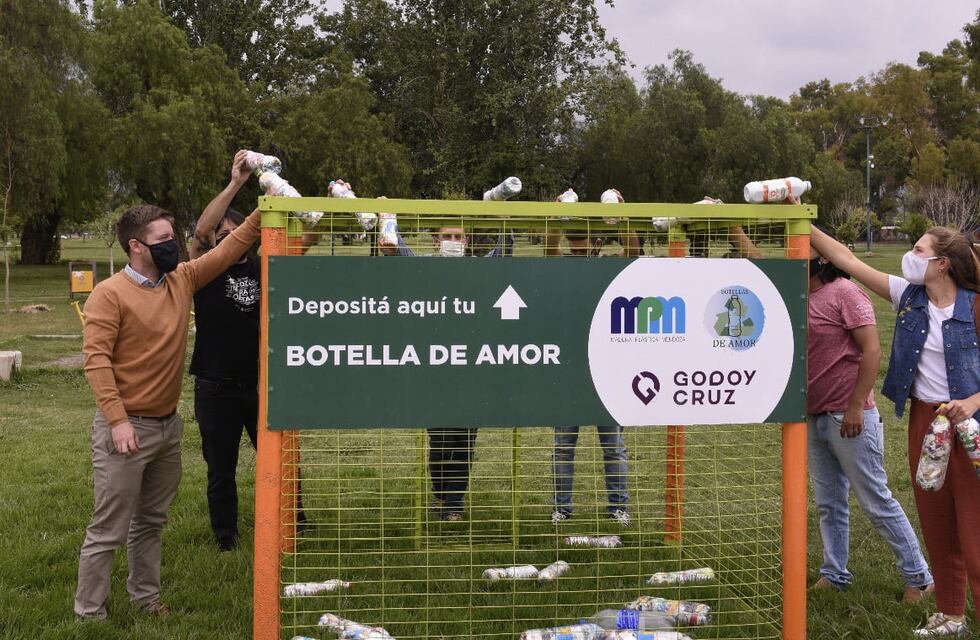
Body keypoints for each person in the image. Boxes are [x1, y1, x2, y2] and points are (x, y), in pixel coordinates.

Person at [76, 201, 261, 619]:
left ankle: (145, 599)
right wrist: (118, 421)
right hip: (126, 430)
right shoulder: (109, 294)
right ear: (137, 246)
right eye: (163, 240)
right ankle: (89, 613)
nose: (173, 246)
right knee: (109, 527)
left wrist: (261, 208)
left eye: (173, 237)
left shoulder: (181, 280)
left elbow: (228, 251)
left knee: (151, 522)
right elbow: (96, 361)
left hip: (167, 427)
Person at [811, 222, 980, 637]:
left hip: (971, 424)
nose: (910, 255)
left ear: (941, 264)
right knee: (936, 519)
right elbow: (846, 259)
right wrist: (802, 218)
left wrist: (974, 401)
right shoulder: (909, 297)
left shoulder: (975, 306)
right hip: (927, 421)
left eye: (918, 250)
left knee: (973, 526)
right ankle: (951, 613)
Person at [806, 244, 934, 601]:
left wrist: (855, 407)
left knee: (875, 499)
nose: (792, 259)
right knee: (829, 502)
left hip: (847, 417)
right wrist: (737, 228)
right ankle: (835, 573)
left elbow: (872, 350)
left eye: (799, 254)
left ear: (822, 260)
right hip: (813, 416)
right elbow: (758, 260)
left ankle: (920, 578)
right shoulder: (798, 293)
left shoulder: (845, 293)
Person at [375, 189, 498, 521]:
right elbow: (398, 251)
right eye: (447, 236)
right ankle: (442, 497)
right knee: (441, 440)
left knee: (465, 441)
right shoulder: (425, 269)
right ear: (436, 240)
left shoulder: (479, 270)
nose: (453, 240)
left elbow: (505, 253)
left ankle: (454, 504)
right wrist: (388, 213)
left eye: (458, 235)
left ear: (468, 240)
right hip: (435, 373)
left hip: (472, 372)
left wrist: (504, 214)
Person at [187, 151, 261, 551]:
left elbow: (307, 241)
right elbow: (201, 231)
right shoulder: (203, 271)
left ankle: (294, 522)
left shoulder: (264, 267)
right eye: (223, 232)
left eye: (237, 231)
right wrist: (235, 184)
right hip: (215, 385)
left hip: (260, 382)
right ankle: (226, 538)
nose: (228, 237)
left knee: (280, 462)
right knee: (221, 468)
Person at [545, 188, 631, 526]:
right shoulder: (560, 264)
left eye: (585, 231)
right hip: (568, 372)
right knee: (564, 445)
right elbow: (551, 249)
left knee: (613, 445)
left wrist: (622, 217)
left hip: (608, 371)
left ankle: (618, 508)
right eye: (573, 232)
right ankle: (562, 508)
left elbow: (633, 250)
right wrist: (552, 218)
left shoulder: (609, 266)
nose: (579, 237)